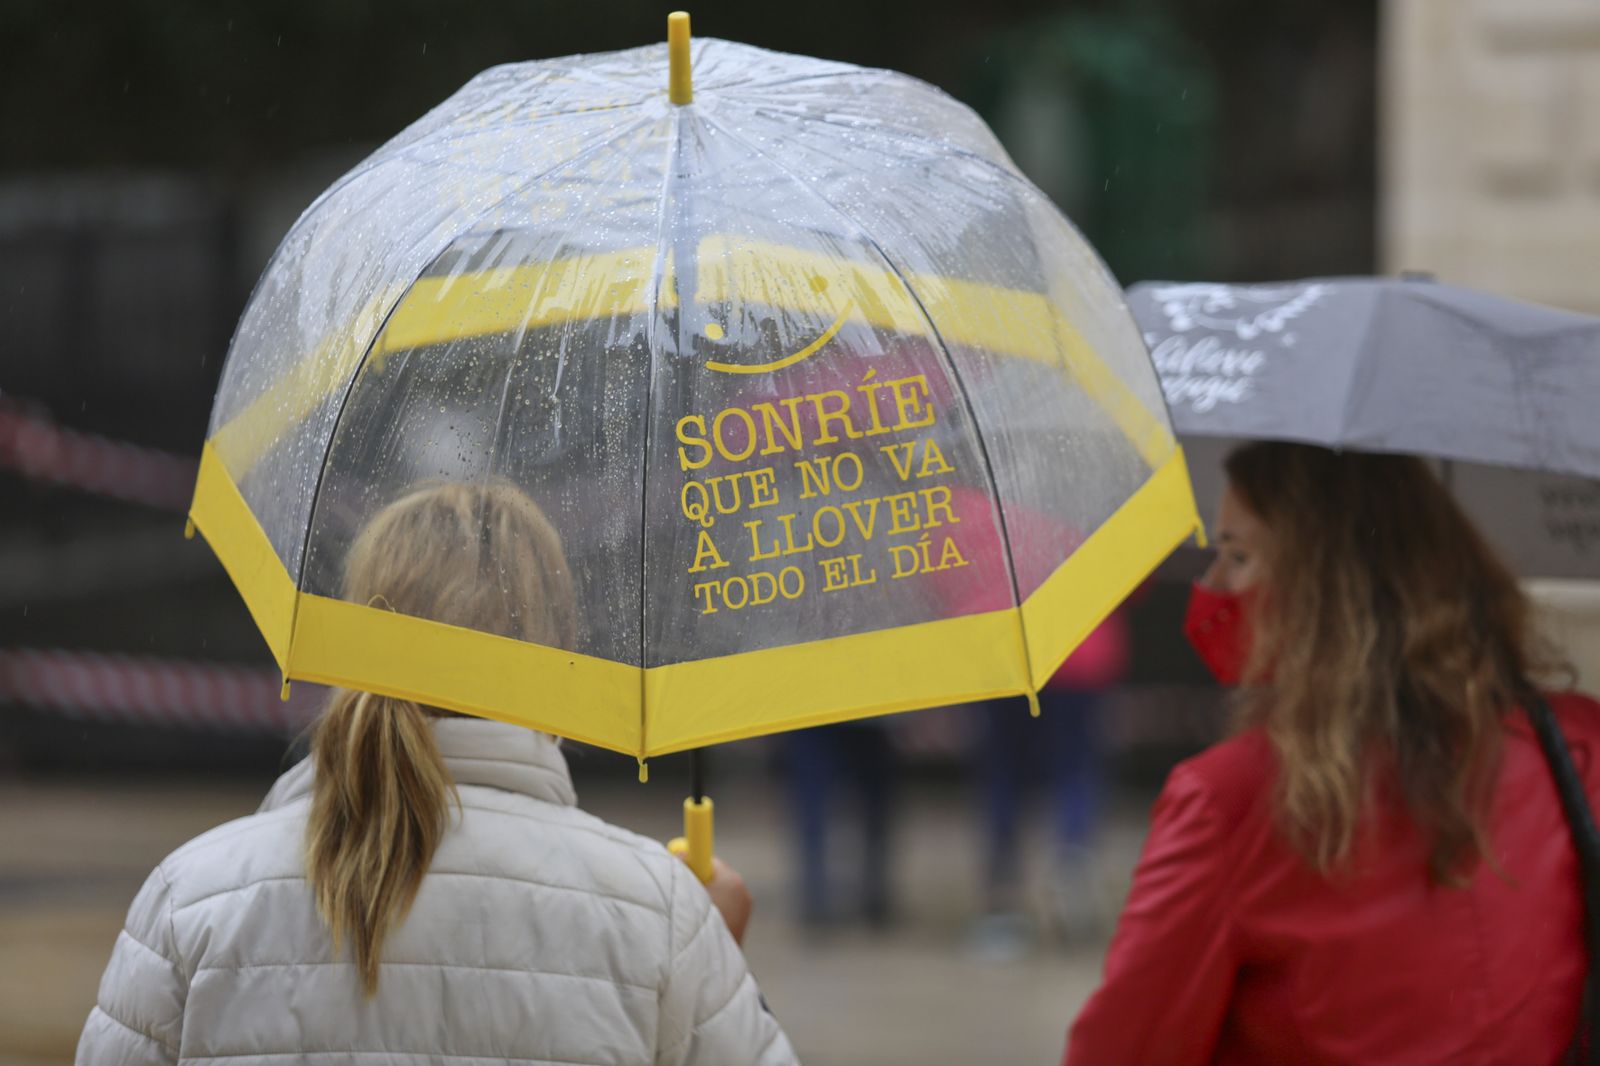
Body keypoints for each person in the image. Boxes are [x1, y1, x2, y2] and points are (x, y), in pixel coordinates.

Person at [76, 481, 796, 1066]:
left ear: (353, 628)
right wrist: (711, 961)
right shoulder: (656, 913)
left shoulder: (193, 899)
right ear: (559, 650)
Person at [1066, 442, 1600, 1065]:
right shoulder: (1577, 743)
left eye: (1239, 555)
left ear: (1326, 586)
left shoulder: (1227, 800)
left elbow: (1124, 1048)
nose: (1212, 584)